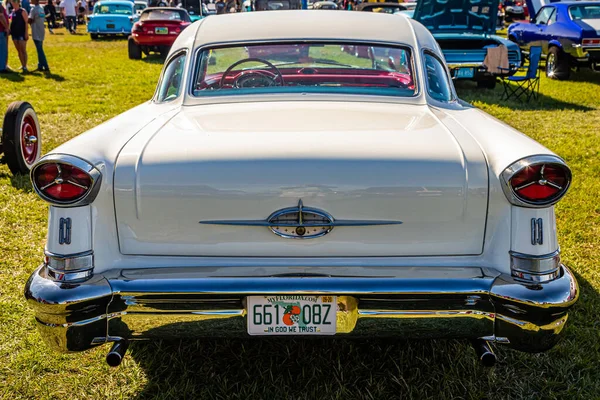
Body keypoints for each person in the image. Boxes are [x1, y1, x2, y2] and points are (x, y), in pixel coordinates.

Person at [9, 0, 29, 72]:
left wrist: (26, 33)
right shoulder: (13, 11)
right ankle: (22, 64)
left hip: (21, 33)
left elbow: (26, 22)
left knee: (23, 50)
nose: (13, 3)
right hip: (14, 33)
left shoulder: (22, 11)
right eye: (12, 2)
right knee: (19, 50)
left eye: (14, 2)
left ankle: (25, 66)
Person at [29, 0, 48, 71]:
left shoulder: (33, 9)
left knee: (39, 50)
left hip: (36, 30)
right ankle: (40, 65)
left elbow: (30, 19)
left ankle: (45, 65)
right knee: (40, 48)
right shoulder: (41, 8)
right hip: (41, 30)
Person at [0, 0, 10, 73]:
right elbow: (1, 17)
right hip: (1, 31)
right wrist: (6, 27)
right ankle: (2, 67)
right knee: (3, 50)